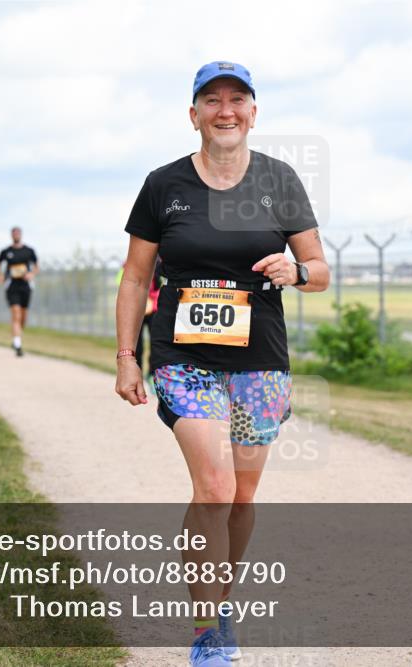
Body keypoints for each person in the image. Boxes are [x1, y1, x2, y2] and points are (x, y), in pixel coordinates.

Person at [114, 61, 329, 667]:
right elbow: (134, 278)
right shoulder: (164, 185)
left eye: (237, 99)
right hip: (184, 359)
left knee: (242, 494)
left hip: (260, 358)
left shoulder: (279, 180)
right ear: (194, 114)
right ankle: (209, 630)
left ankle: (220, 597)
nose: (225, 110)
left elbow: (320, 269)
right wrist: (128, 358)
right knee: (214, 486)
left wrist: (299, 270)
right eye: (212, 100)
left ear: (254, 113)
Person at [0, 226, 38, 357]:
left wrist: (31, 274)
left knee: (23, 317)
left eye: (18, 233)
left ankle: (17, 337)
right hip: (12, 285)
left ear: (21, 235)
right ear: (11, 235)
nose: (16, 235)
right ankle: (17, 343)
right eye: (14, 233)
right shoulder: (6, 251)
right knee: (16, 314)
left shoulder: (29, 251)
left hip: (25, 286)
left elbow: (36, 266)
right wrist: (0, 275)